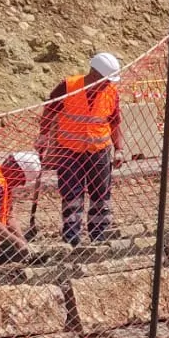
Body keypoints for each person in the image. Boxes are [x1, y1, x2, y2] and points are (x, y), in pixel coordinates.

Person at [39, 51, 124, 245]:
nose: (108, 84)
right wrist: (43, 136)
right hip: (69, 151)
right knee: (72, 194)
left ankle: (98, 236)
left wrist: (119, 149)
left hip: (99, 150)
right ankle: (72, 238)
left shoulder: (111, 91)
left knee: (100, 194)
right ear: (94, 74)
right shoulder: (68, 86)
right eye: (105, 80)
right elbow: (49, 111)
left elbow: (114, 122)